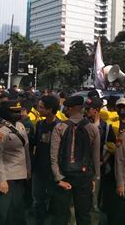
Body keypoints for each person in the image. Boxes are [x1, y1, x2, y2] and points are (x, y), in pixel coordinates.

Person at [50, 95, 100, 225]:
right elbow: (95, 157)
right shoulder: (92, 129)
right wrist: (94, 178)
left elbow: (54, 156)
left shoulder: (59, 127)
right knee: (83, 215)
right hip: (84, 177)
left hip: (64, 175)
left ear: (70, 109)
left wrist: (58, 178)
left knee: (60, 215)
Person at [0, 100, 31, 224]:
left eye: (19, 110)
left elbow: (25, 149)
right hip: (6, 176)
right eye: (14, 111)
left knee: (16, 210)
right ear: (6, 113)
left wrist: (28, 168)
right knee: (0, 212)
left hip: (19, 174)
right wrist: (2, 180)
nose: (18, 113)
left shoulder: (20, 126)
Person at [32, 95, 60, 225]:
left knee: (54, 200)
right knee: (38, 200)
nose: (38, 109)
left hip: (54, 170)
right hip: (39, 168)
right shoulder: (39, 124)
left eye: (41, 107)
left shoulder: (60, 127)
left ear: (49, 110)